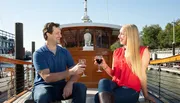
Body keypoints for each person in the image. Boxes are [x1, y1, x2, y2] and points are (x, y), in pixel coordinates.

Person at [94, 24, 156, 103]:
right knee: (103, 81)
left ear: (131, 35)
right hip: (116, 85)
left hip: (131, 89)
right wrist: (104, 65)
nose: (118, 36)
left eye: (122, 34)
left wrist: (146, 95)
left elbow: (142, 75)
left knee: (98, 98)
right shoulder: (116, 52)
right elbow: (114, 74)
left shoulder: (143, 51)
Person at [33, 22, 87, 103]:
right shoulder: (38, 54)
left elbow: (75, 72)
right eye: (57, 33)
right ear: (48, 34)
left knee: (81, 87)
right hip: (43, 86)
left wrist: (70, 83)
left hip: (61, 86)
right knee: (42, 96)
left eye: (60, 33)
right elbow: (47, 78)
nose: (60, 36)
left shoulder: (65, 52)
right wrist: (71, 71)